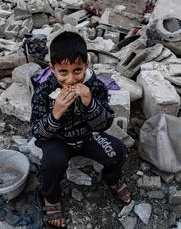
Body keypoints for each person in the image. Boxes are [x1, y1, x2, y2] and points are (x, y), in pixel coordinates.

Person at [30, 32, 131, 228]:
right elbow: (37, 132)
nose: (70, 80)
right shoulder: (43, 92)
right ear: (52, 70)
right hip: (57, 140)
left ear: (86, 65)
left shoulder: (95, 87)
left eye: (77, 70)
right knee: (51, 163)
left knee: (117, 150)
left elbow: (104, 125)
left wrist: (89, 102)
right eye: (63, 72)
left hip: (87, 137)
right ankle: (51, 198)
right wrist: (56, 113)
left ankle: (112, 180)